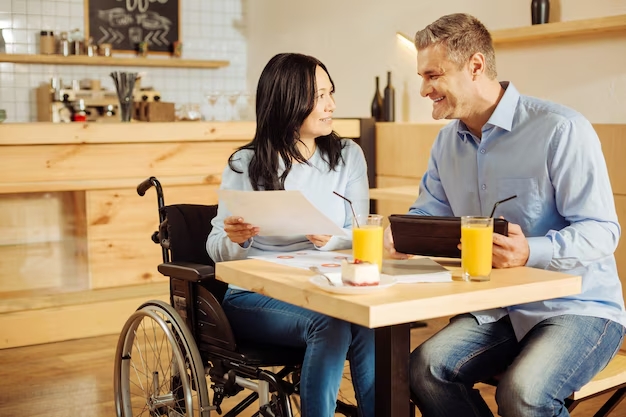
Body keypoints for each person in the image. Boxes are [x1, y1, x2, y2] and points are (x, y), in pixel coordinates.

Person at [383, 13, 626, 417]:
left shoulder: (561, 129)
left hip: (577, 306)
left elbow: (602, 232)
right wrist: (405, 237)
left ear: (475, 66)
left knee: (522, 393)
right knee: (424, 369)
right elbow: (428, 213)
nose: (424, 89)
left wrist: (529, 252)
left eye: (433, 75)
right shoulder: (446, 143)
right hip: (498, 309)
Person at [206, 52, 374, 417]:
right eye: (320, 96)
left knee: (371, 323)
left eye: (331, 93)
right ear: (288, 101)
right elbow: (215, 246)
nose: (331, 105)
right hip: (256, 294)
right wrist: (238, 240)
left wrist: (332, 239)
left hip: (327, 286)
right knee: (329, 325)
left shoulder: (348, 156)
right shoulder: (245, 163)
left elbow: (363, 232)